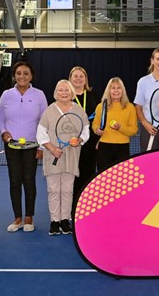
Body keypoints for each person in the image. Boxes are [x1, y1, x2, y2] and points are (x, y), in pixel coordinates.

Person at [0, 62, 48, 233]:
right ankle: (17, 217)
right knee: (14, 181)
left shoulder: (39, 95)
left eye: (26, 73)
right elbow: (0, 117)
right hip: (12, 146)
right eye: (18, 73)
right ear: (14, 76)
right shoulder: (6, 95)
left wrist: (41, 146)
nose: (22, 76)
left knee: (29, 181)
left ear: (31, 76)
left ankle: (29, 217)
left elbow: (44, 121)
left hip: (32, 146)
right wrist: (4, 132)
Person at [37, 80, 90, 235]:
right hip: (53, 155)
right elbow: (41, 134)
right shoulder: (49, 111)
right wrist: (52, 149)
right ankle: (55, 221)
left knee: (67, 189)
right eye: (60, 90)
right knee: (53, 189)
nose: (64, 93)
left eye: (67, 90)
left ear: (71, 92)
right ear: (56, 92)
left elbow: (85, 130)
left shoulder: (79, 110)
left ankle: (65, 220)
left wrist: (80, 140)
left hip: (72, 156)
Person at [69, 66, 100, 209]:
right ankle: (72, 207)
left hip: (90, 142)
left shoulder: (93, 96)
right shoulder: (65, 96)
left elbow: (100, 119)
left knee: (88, 174)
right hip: (71, 143)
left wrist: (98, 138)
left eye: (81, 76)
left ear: (86, 79)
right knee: (72, 175)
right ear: (70, 78)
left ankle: (85, 206)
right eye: (75, 76)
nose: (78, 79)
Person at [92, 77, 138, 172]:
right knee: (104, 178)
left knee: (121, 178)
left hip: (123, 147)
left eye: (118, 88)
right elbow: (95, 124)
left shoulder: (130, 107)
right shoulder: (100, 107)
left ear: (123, 90)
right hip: (104, 147)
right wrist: (97, 130)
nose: (116, 90)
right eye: (113, 88)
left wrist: (120, 128)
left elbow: (134, 130)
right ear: (109, 90)